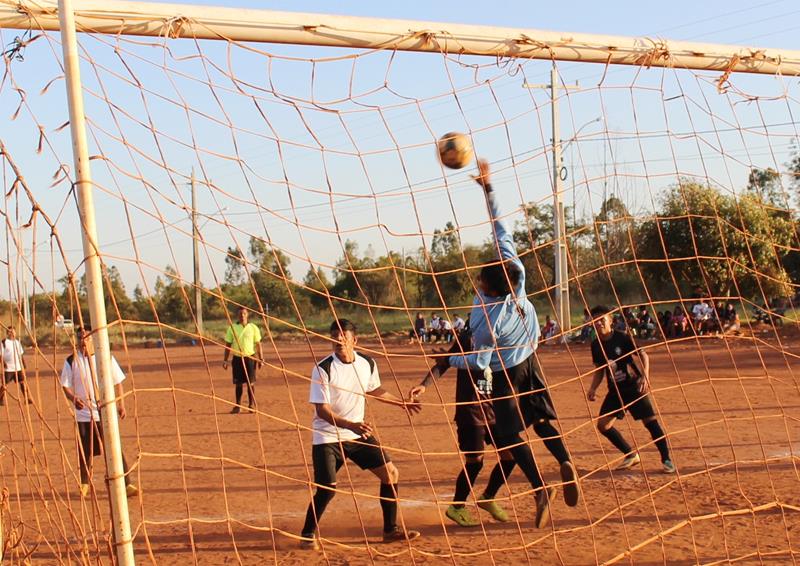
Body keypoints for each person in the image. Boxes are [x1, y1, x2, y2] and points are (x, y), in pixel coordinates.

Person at [433, 159, 580, 529]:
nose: (478, 279)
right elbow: (502, 229)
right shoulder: (518, 274)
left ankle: (539, 487)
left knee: (507, 434)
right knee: (542, 415)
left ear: (494, 287)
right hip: (531, 359)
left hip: (505, 371)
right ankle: (563, 457)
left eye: (482, 279)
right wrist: (488, 189)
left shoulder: (487, 320)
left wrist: (449, 363)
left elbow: (479, 361)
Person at [300, 319, 421, 550]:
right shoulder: (322, 368)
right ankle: (307, 534)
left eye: (342, 336)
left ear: (354, 340)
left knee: (390, 473)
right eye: (333, 336)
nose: (337, 340)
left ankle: (390, 530)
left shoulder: (367, 363)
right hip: (328, 437)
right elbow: (322, 411)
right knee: (327, 489)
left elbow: (373, 388)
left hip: (357, 435)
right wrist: (350, 425)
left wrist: (401, 403)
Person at [409, 324, 515, 527]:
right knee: (475, 461)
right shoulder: (469, 338)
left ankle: (488, 497)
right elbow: (444, 362)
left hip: (495, 410)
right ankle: (457, 507)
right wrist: (424, 384)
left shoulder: (505, 337)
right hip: (471, 411)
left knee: (511, 456)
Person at [587, 305, 675, 474]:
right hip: (615, 392)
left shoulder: (623, 338)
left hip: (634, 387)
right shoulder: (595, 345)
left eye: (602, 320)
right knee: (603, 425)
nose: (598, 323)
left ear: (610, 321)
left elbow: (643, 355)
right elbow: (600, 369)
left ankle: (667, 459)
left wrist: (645, 375)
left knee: (650, 422)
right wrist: (593, 388)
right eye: (595, 321)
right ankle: (630, 454)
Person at [59, 326, 138, 498]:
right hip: (83, 415)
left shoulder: (105, 357)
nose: (83, 341)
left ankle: (126, 484)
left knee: (114, 448)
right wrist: (74, 398)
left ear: (92, 339)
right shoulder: (71, 361)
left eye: (86, 337)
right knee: (85, 451)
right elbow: (65, 385)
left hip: (105, 412)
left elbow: (118, 382)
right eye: (80, 337)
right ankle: (85, 484)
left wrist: (120, 404)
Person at [222, 307, 264, 414]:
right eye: (240, 314)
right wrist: (225, 360)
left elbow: (258, 344)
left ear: (247, 315)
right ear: (237, 315)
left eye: (244, 314)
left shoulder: (253, 327)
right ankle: (238, 405)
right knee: (238, 383)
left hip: (250, 357)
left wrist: (261, 359)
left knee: (251, 383)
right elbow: (228, 344)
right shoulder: (232, 328)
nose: (242, 316)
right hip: (237, 358)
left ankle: (251, 405)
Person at [1, 327, 30, 405]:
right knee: (4, 385)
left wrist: (23, 364)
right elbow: (0, 355)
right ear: (8, 333)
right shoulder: (4, 342)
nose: (12, 333)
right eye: (10, 332)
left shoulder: (17, 342)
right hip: (9, 368)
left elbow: (20, 354)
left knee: (23, 383)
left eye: (14, 332)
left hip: (18, 367)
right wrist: (3, 363)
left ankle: (26, 398)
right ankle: (0, 398)